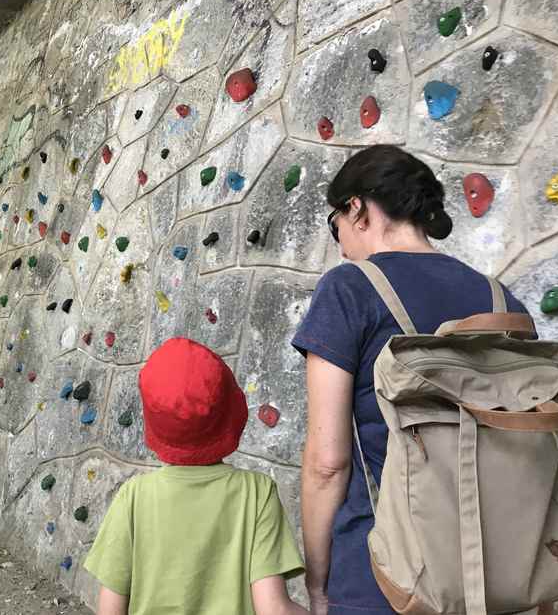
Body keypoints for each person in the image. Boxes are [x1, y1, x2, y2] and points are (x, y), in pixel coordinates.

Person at [292, 145, 530, 615]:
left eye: (334, 222)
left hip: (384, 578)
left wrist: (319, 584)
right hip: (496, 573)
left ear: (357, 208)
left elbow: (327, 463)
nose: (339, 243)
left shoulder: (349, 289)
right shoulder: (503, 301)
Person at [84, 337, 309, 615]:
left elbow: (110, 610)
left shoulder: (133, 497)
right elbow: (274, 609)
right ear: (231, 411)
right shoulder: (257, 493)